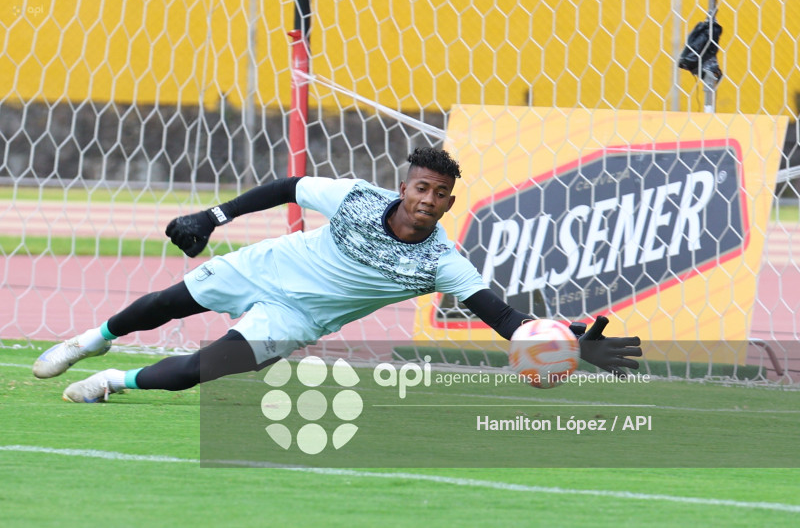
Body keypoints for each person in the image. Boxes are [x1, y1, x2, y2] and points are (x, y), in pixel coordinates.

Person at [33, 147, 642, 402]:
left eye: (440, 194)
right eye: (421, 188)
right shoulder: (356, 197)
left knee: (201, 370)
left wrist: (565, 342)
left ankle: (112, 380)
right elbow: (289, 186)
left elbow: (503, 317)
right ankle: (92, 340)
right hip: (266, 267)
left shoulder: (443, 262)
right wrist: (212, 216)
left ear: (450, 203)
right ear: (405, 186)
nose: (428, 200)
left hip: (296, 317)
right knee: (163, 304)